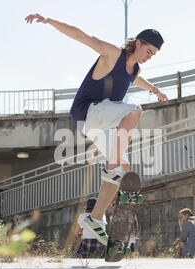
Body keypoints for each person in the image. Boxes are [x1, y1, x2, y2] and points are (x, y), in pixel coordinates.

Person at [25, 13, 167, 246]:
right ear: (138, 43)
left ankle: (95, 217)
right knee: (134, 111)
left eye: (154, 55)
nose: (149, 57)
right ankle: (110, 167)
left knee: (123, 167)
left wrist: (155, 90)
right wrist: (50, 21)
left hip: (99, 121)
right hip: (87, 111)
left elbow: (138, 81)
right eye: (148, 51)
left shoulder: (135, 70)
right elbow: (83, 36)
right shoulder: (113, 54)